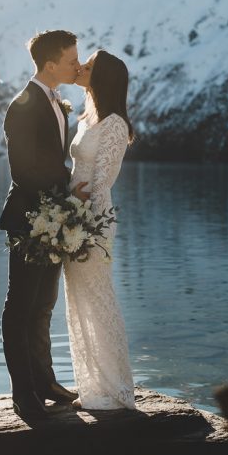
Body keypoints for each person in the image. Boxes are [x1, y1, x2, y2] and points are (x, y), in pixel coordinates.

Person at [0, 29, 88, 420]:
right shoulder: (22, 106)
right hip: (29, 219)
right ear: (50, 64)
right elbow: (23, 171)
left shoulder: (56, 102)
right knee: (20, 306)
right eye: (71, 60)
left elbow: (52, 162)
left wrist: (67, 197)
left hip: (54, 217)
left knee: (44, 304)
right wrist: (60, 199)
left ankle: (45, 381)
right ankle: (23, 393)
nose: (77, 66)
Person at [63, 49, 137, 410]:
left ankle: (116, 389)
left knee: (99, 298)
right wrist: (66, 206)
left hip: (93, 219)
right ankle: (92, 387)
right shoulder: (87, 118)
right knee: (80, 300)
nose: (80, 67)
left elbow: (102, 180)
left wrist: (86, 221)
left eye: (89, 66)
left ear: (102, 78)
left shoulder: (115, 124)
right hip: (73, 215)